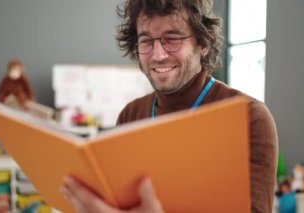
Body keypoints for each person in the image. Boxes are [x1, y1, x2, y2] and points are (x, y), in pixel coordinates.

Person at [59, 0, 278, 212]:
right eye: (146, 41)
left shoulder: (249, 118)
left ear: (202, 44)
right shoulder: (130, 115)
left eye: (172, 39)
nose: (158, 55)